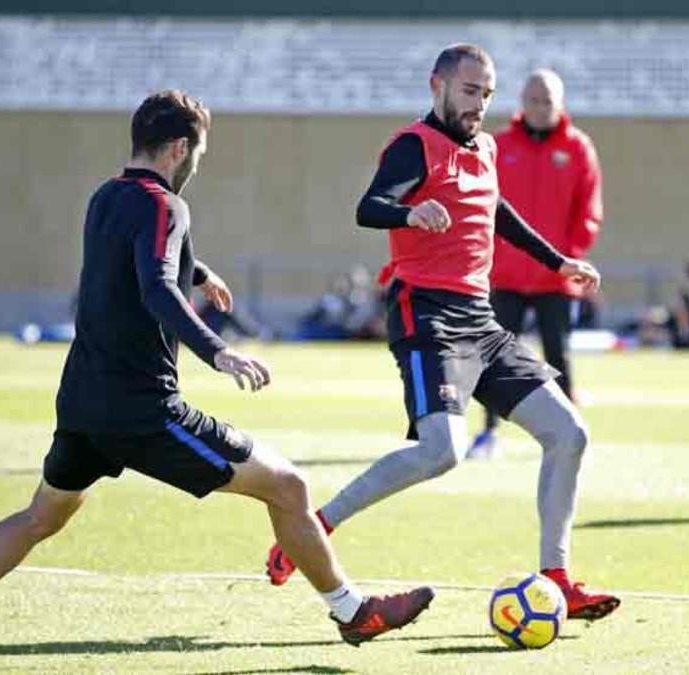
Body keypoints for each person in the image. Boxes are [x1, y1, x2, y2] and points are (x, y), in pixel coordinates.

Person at [0, 91, 432, 665]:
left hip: (81, 399)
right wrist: (218, 351)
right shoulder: (167, 208)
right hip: (143, 411)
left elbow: (137, 259)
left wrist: (198, 270)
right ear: (180, 148)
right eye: (199, 151)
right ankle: (353, 613)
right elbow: (155, 286)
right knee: (289, 486)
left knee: (40, 516)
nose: (199, 161)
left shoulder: (106, 196)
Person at [261, 45, 620, 622]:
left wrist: (559, 263)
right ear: (439, 86)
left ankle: (558, 579)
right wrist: (410, 213)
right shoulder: (414, 146)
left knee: (569, 433)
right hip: (425, 310)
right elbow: (369, 206)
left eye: (487, 94)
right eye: (469, 90)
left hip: (480, 318)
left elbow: (498, 212)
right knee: (441, 452)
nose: (479, 104)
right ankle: (312, 530)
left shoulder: (487, 147)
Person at [468, 68, 604, 460]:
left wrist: (569, 256)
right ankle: (489, 433)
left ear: (560, 104)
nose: (540, 108)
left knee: (558, 355)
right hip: (506, 274)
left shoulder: (578, 148)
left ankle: (568, 437)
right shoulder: (499, 145)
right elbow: (482, 204)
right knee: (492, 356)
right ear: (521, 103)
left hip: (554, 277)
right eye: (533, 100)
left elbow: (589, 210)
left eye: (547, 101)